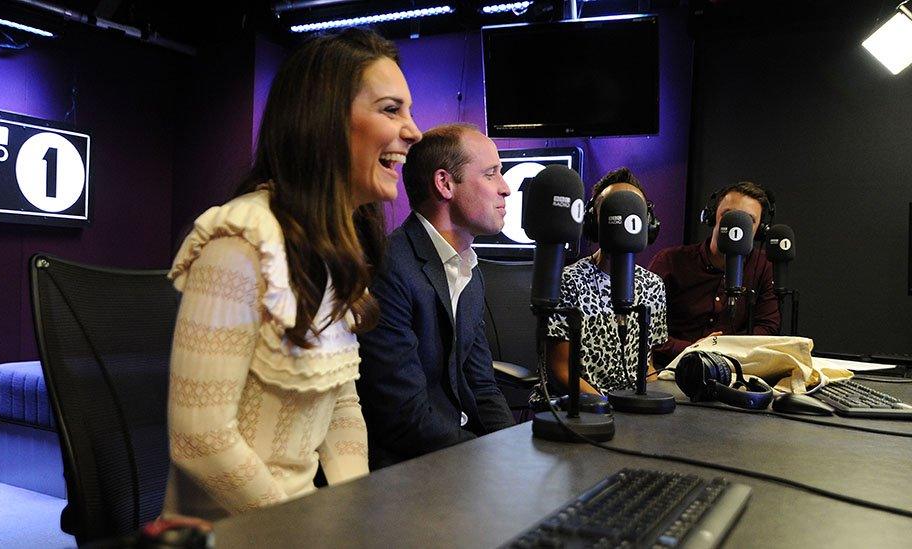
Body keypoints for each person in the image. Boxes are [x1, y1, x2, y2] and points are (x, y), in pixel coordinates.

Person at [161, 29, 422, 520]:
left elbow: (342, 404)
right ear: (325, 122)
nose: (414, 131)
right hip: (235, 528)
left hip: (298, 521)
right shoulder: (241, 244)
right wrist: (298, 530)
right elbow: (200, 438)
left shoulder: (338, 246)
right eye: (392, 110)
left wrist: (353, 515)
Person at [357, 123, 514, 469]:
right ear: (445, 184)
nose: (506, 189)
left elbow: (482, 386)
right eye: (491, 175)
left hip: (458, 455)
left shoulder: (469, 270)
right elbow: (403, 416)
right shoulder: (391, 267)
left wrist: (515, 455)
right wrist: (486, 462)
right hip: (406, 469)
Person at [545, 168, 668, 395]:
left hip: (630, 411)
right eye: (613, 209)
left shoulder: (653, 285)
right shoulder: (568, 281)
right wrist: (606, 407)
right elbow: (561, 370)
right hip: (578, 407)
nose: (620, 221)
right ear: (593, 221)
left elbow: (647, 366)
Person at [648, 181, 780, 365]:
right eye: (729, 216)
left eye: (748, 220)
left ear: (759, 230)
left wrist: (727, 350)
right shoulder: (670, 261)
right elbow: (647, 332)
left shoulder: (763, 265)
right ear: (712, 217)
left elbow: (768, 327)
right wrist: (695, 350)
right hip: (673, 370)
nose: (737, 227)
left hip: (733, 370)